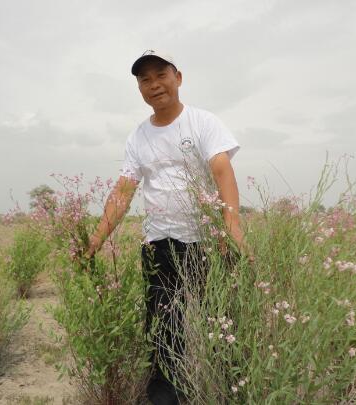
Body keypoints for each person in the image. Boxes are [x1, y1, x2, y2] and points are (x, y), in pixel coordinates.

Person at [86, 50, 245, 405]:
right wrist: (95, 239)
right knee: (163, 333)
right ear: (139, 88)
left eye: (161, 75)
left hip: (207, 243)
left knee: (221, 325)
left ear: (178, 78)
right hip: (159, 246)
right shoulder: (138, 137)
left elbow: (222, 171)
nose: (154, 84)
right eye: (145, 79)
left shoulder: (203, 122)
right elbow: (123, 191)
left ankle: (228, 393)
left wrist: (231, 229)